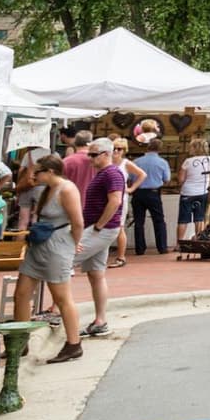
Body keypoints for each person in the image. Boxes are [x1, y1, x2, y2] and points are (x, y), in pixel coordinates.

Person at [13, 154, 85, 363]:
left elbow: (77, 221)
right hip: (40, 245)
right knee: (21, 293)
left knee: (61, 297)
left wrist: (73, 243)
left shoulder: (67, 189)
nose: (34, 176)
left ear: (50, 172)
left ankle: (73, 343)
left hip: (57, 246)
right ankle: (21, 341)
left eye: (38, 172)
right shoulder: (45, 190)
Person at [72, 138, 128, 336]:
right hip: (99, 227)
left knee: (65, 261)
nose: (90, 158)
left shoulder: (111, 173)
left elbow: (115, 200)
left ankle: (56, 309)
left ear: (106, 154)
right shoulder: (104, 174)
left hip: (101, 228)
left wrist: (99, 225)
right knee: (96, 273)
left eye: (94, 154)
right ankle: (100, 319)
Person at [131, 138, 172, 255]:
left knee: (139, 221)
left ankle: (139, 248)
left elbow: (130, 178)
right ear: (160, 149)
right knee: (159, 220)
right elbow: (167, 179)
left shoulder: (136, 161)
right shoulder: (163, 162)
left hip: (138, 192)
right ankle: (162, 247)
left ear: (147, 147)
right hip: (154, 192)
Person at [111, 137, 145, 266]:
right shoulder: (107, 162)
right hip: (108, 196)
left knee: (119, 226)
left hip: (120, 197)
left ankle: (121, 256)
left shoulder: (125, 163)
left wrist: (131, 189)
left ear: (124, 150)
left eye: (119, 149)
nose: (116, 151)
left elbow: (142, 174)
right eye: (114, 148)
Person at [178, 139, 210, 246]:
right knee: (199, 218)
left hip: (187, 192)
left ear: (194, 148)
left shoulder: (188, 161)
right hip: (202, 192)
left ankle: (180, 243)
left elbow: (181, 179)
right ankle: (199, 241)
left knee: (183, 220)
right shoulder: (209, 160)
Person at [61, 130, 95, 198]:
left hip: (70, 200)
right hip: (91, 202)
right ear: (90, 143)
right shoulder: (97, 160)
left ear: (75, 143)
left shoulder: (66, 161)